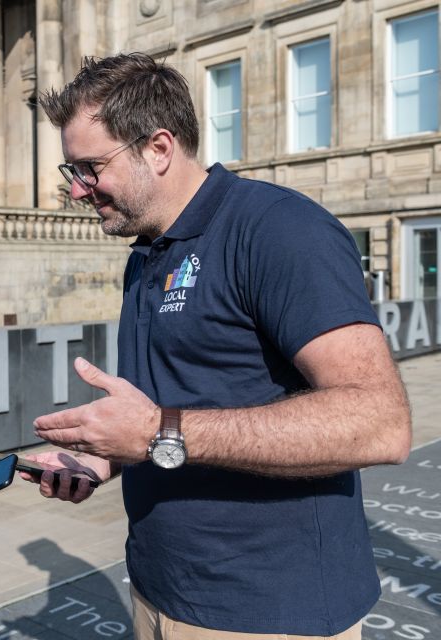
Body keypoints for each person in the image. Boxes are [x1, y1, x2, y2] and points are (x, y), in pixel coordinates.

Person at [27, 53, 411, 639]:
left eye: (90, 168)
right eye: (70, 170)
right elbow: (188, 403)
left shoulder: (279, 229)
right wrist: (108, 456)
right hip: (162, 592)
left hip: (270, 609)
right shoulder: (147, 253)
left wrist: (160, 432)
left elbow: (379, 423)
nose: (78, 191)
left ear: (158, 148)